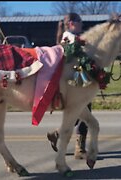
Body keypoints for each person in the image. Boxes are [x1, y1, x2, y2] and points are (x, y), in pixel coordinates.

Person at [47, 12, 92, 160]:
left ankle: (57, 135)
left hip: (76, 81)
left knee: (80, 114)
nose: (82, 24)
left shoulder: (67, 37)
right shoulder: (71, 39)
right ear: (72, 23)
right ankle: (79, 148)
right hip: (77, 82)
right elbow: (76, 61)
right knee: (85, 115)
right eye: (80, 21)